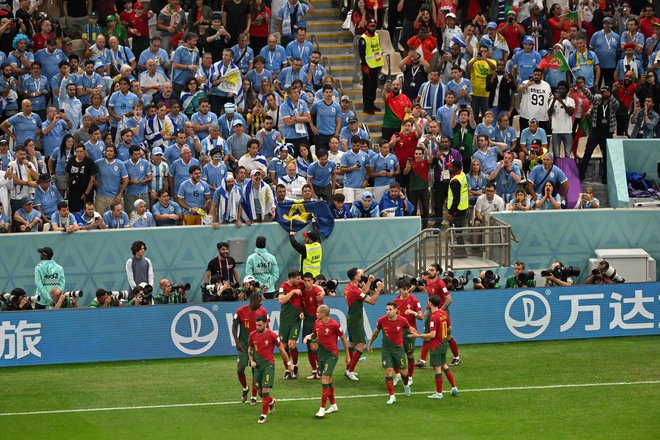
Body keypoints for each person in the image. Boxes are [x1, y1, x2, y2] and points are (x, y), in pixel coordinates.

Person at [368, 301, 418, 404]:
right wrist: (370, 344)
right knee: (388, 371)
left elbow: (409, 329)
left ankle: (406, 385)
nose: (388, 312)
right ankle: (392, 396)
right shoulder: (381, 320)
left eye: (390, 310)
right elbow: (376, 332)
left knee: (404, 372)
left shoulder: (402, 320)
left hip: (398, 350)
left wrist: (420, 335)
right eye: (386, 310)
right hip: (386, 350)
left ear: (396, 310)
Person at [249, 315, 294, 424]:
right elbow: (250, 349)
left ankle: (263, 415)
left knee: (265, 389)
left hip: (268, 365)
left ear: (265, 324)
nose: (257, 327)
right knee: (259, 390)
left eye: (260, 325)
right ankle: (271, 401)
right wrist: (251, 360)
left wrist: (289, 363)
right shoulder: (252, 335)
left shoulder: (273, 335)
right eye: (256, 325)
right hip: (257, 367)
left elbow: (282, 350)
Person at [413, 295, 459, 399]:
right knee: (444, 366)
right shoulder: (444, 313)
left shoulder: (433, 317)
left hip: (436, 345)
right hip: (443, 344)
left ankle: (439, 393)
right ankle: (454, 387)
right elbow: (449, 329)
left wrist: (418, 335)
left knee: (437, 369)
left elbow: (432, 334)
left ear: (430, 303)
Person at [344, 268, 382, 381]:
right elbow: (372, 301)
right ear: (356, 276)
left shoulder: (349, 287)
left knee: (352, 345)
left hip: (351, 318)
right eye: (360, 273)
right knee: (362, 346)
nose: (362, 274)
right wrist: (378, 289)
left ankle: (347, 369)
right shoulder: (354, 291)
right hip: (356, 320)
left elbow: (362, 292)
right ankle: (350, 371)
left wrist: (369, 282)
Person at [232, 292, 269, 403]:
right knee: (240, 370)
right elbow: (234, 326)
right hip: (244, 344)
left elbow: (268, 328)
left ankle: (253, 397)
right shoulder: (240, 311)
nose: (261, 304)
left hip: (257, 346)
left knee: (255, 371)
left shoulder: (263, 312)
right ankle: (245, 388)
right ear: (253, 301)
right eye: (259, 301)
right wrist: (237, 341)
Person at [392, 277, 423, 387]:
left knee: (409, 355)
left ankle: (410, 377)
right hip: (398, 332)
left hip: (410, 332)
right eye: (402, 289)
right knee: (395, 355)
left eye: (406, 289)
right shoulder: (395, 302)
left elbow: (421, 316)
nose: (404, 291)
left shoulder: (415, 300)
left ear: (409, 288)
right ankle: (398, 376)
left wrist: (413, 312)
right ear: (399, 289)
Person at [277, 270, 303, 379]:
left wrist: (323, 291)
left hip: (295, 320)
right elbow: (281, 300)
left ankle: (295, 366)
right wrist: (293, 292)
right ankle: (287, 369)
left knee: (292, 345)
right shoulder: (283, 286)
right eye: (297, 278)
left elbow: (315, 285)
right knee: (283, 346)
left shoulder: (300, 284)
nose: (300, 280)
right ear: (291, 278)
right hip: (284, 320)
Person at [358, 19, 383, 115]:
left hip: (376, 65)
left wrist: (381, 63)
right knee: (367, 87)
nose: (373, 28)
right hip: (367, 66)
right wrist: (364, 66)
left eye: (374, 26)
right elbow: (361, 53)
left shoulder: (377, 35)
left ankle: (371, 104)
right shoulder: (363, 38)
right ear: (367, 26)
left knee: (374, 86)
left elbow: (378, 49)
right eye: (371, 26)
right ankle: (367, 107)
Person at [446, 157, 468, 257]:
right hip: (463, 207)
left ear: (456, 168)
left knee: (457, 230)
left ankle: (461, 251)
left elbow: (456, 199)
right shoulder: (462, 175)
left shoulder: (455, 181)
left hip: (457, 209)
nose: (449, 168)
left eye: (451, 167)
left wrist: (451, 213)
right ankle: (460, 249)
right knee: (458, 229)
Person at [548, 81, 575, 158]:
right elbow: (549, 113)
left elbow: (570, 113)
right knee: (556, 154)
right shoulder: (553, 101)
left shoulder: (570, 100)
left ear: (567, 90)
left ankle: (566, 169)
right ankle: (557, 169)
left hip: (567, 131)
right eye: (559, 89)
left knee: (568, 153)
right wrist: (553, 101)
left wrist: (562, 102)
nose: (560, 90)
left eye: (563, 89)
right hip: (556, 131)